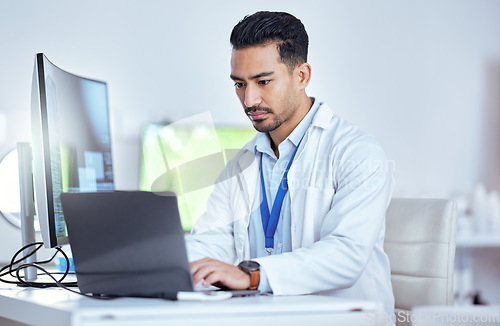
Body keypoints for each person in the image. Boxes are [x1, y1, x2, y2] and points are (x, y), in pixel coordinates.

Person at [186, 11, 395, 319]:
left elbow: (345, 255)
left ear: (302, 76)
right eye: (239, 84)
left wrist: (253, 276)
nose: (249, 100)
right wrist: (172, 269)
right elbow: (212, 240)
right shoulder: (240, 164)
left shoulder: (358, 153)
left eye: (263, 81)